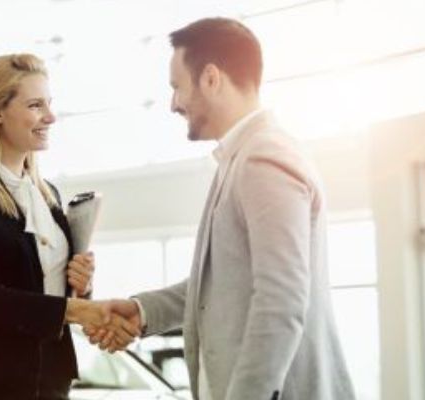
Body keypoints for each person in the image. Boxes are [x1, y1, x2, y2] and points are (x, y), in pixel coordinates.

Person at [84, 18, 355, 400]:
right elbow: (224, 286)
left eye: (177, 87)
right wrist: (142, 310)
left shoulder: (264, 158)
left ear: (211, 78)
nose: (173, 103)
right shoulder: (240, 158)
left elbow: (281, 300)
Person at [0, 53, 136, 400]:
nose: (50, 117)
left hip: (51, 376)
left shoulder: (48, 196)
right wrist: (75, 309)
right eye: (35, 105)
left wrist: (80, 286)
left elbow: (54, 292)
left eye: (49, 104)